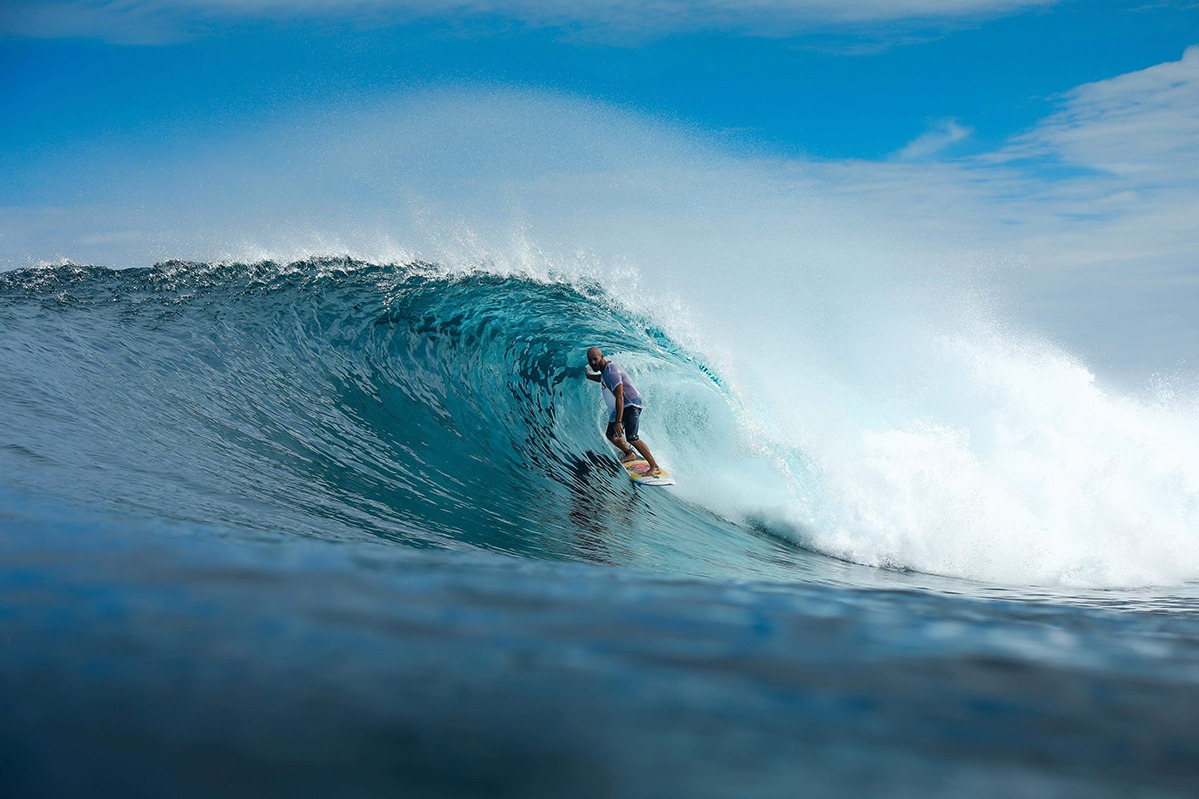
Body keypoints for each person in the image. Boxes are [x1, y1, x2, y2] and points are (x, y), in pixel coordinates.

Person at [585, 346, 663, 476]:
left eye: (595, 359)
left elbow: (620, 396)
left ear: (602, 357)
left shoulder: (611, 371)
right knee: (611, 435)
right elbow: (603, 379)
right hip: (623, 406)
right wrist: (589, 376)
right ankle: (629, 453)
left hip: (631, 404)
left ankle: (654, 466)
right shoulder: (605, 370)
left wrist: (618, 422)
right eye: (590, 360)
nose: (592, 362)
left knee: (632, 437)